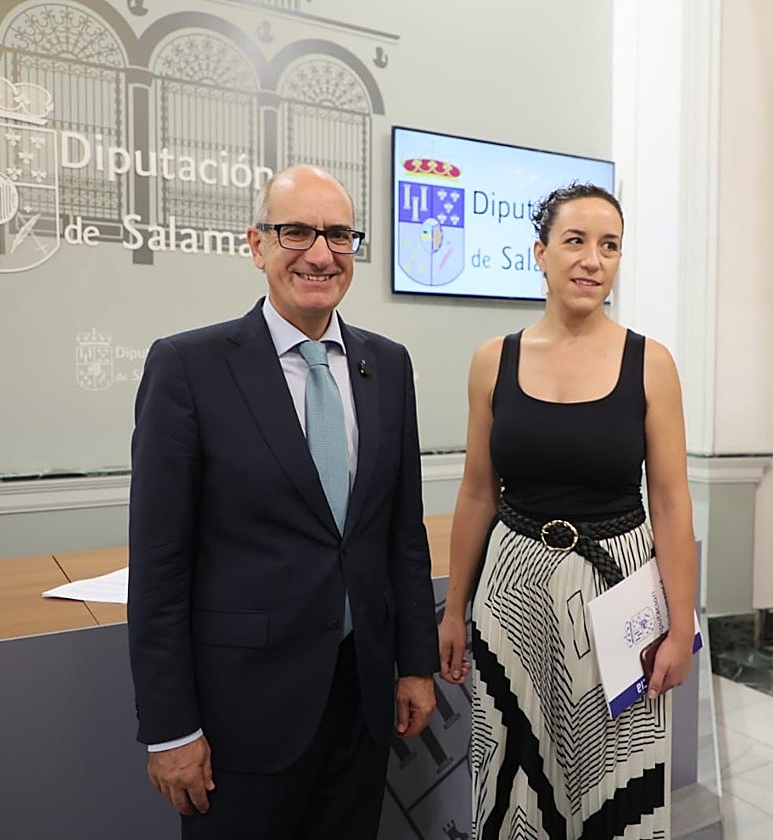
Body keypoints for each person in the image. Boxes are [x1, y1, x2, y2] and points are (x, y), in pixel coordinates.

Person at [127, 165, 438, 838]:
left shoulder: (388, 365)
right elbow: (160, 565)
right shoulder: (189, 368)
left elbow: (400, 535)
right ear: (256, 244)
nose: (320, 254)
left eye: (338, 235)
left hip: (360, 705)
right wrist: (170, 728)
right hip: (243, 717)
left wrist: (413, 665)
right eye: (296, 232)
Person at [437, 183, 699, 837]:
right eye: (575, 241)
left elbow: (669, 501)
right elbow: (476, 491)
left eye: (609, 246)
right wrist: (453, 608)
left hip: (620, 594)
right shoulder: (492, 361)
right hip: (513, 588)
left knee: (614, 774)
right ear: (540, 254)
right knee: (513, 772)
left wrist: (680, 624)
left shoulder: (652, 362)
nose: (592, 260)